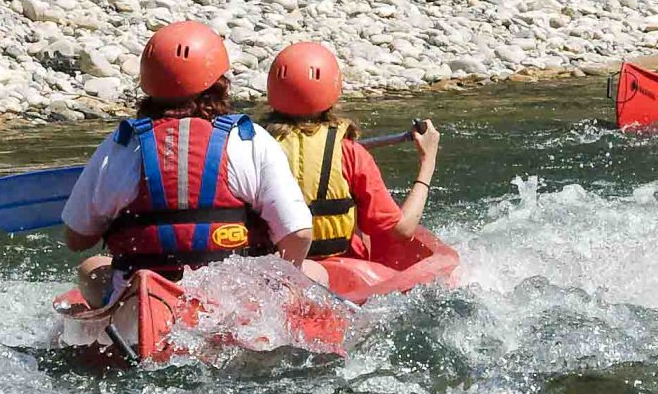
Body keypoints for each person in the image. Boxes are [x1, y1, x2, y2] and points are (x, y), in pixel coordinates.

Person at [62, 21, 316, 308]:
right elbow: (298, 233)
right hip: (234, 301)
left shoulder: (121, 146)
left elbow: (77, 238)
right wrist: (284, 283)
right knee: (311, 273)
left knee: (90, 268)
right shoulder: (250, 139)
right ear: (220, 85)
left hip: (146, 300)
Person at [265, 40, 440, 264]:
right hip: (342, 269)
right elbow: (403, 230)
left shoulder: (252, 145)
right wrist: (428, 160)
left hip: (272, 268)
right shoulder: (349, 153)